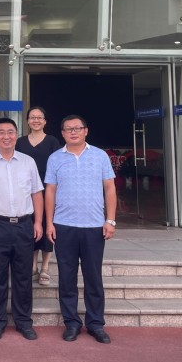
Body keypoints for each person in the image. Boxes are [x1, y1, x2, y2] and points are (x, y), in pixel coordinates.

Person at [45, 115, 117, 345]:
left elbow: (110, 188)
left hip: (94, 226)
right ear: (62, 133)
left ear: (86, 131)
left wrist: (110, 220)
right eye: (68, 129)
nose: (73, 132)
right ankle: (72, 323)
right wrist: (49, 222)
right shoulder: (55, 158)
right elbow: (50, 191)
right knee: (66, 277)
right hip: (63, 225)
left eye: (77, 128)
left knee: (93, 277)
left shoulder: (100, 156)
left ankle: (96, 324)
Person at [0, 118, 43, 341]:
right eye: (1, 132)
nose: (6, 136)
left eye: (10, 132)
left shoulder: (28, 162)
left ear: (16, 135)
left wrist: (38, 222)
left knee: (23, 276)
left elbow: (36, 193)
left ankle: (24, 322)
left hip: (24, 225)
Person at [15, 106, 61, 284]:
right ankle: (33, 265)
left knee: (47, 226)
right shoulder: (20, 142)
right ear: (27, 121)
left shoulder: (52, 142)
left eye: (39, 117)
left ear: (45, 121)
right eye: (32, 117)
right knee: (31, 227)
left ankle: (45, 267)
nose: (36, 120)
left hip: (48, 190)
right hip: (25, 192)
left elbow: (57, 167)